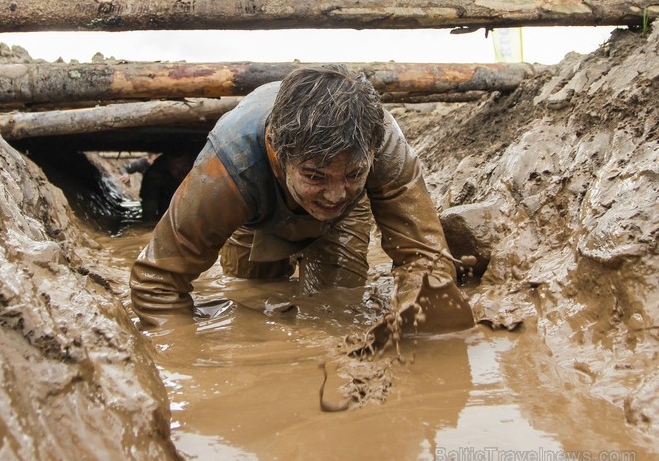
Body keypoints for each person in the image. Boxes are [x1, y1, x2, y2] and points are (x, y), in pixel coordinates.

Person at [129, 64, 474, 336]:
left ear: (372, 150)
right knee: (248, 286)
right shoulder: (227, 168)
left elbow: (423, 257)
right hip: (255, 211)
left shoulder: (385, 147)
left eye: (353, 174)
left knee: (334, 310)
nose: (335, 194)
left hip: (344, 223)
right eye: (315, 175)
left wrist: (425, 320)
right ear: (276, 152)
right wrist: (187, 357)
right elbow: (157, 283)